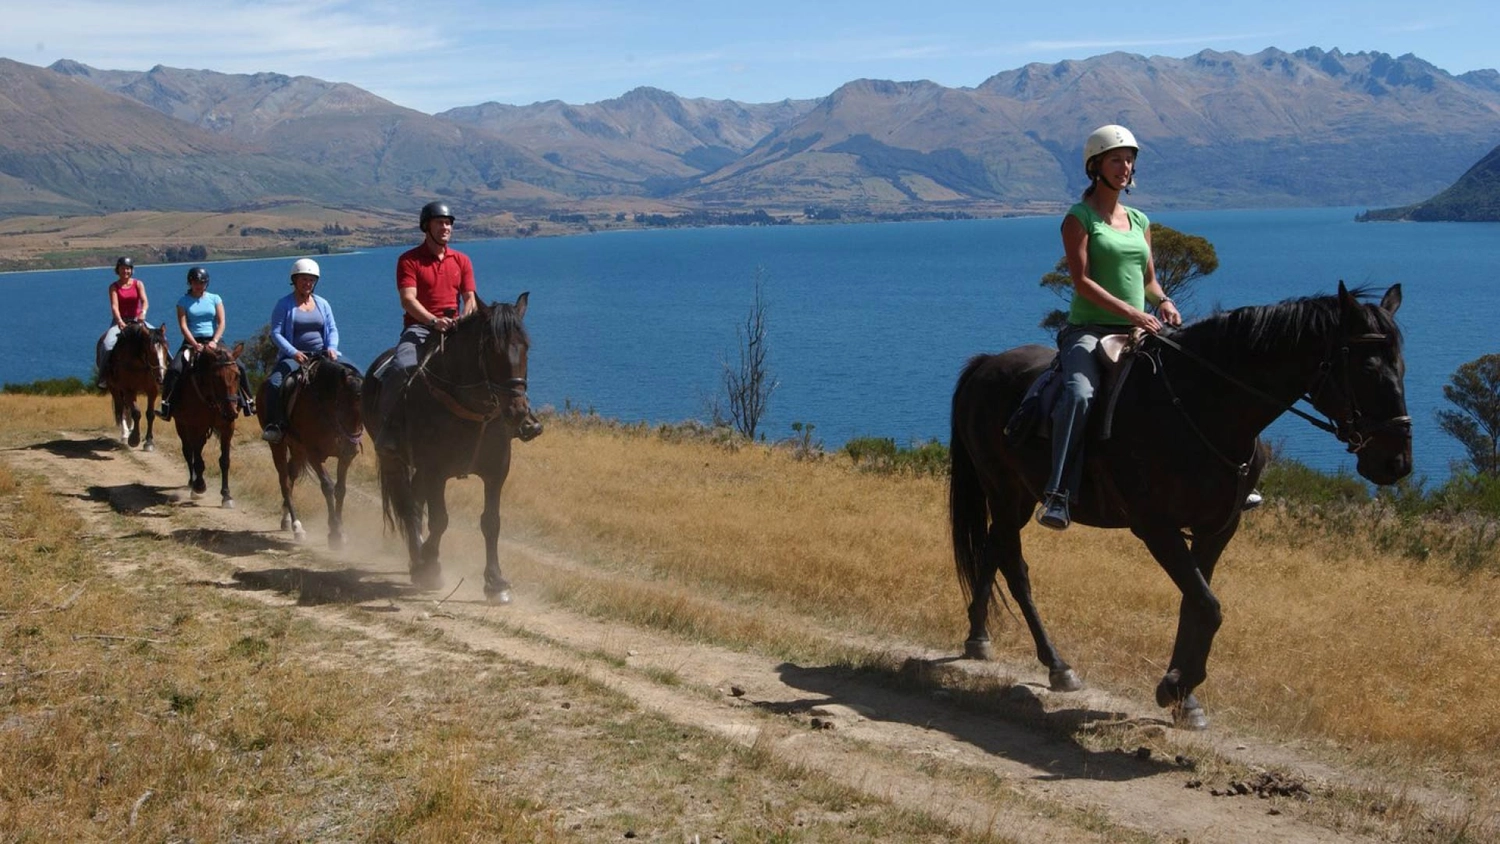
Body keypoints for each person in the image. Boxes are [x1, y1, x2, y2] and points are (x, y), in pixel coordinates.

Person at [1037, 124, 1182, 530]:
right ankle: (1058, 493)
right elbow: (1081, 281)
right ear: (1095, 166)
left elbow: (1149, 281)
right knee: (1080, 394)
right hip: (1089, 331)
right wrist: (1133, 313)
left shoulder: (1139, 220)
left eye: (1130, 159)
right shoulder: (1078, 218)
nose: (1126, 166)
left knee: (1189, 382)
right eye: (1116, 158)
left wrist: (1164, 301)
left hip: (1139, 331)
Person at [374, 201, 477, 454]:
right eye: (440, 222)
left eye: (449, 223)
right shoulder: (409, 260)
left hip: (455, 329)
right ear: (426, 227)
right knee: (401, 368)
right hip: (420, 329)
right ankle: (389, 429)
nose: (446, 227)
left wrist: (463, 319)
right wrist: (432, 320)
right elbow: (408, 300)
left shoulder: (462, 260)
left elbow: (470, 298)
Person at [260, 258, 343, 444]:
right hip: (295, 357)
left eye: (311, 280)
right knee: (275, 383)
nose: (308, 283)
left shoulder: (323, 304)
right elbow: (276, 333)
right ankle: (275, 425)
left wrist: (332, 348)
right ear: (295, 280)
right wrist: (293, 352)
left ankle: (350, 424)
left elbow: (332, 329)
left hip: (322, 355)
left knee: (353, 376)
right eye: (304, 279)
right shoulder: (284, 304)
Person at [158, 266, 254, 421]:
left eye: (202, 282)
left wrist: (215, 341)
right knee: (174, 369)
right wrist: (195, 344)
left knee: (239, 366)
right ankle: (167, 405)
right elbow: (183, 326)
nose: (199, 285)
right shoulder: (183, 302)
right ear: (190, 283)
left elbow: (221, 322)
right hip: (192, 342)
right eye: (195, 282)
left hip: (214, 341)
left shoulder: (215, 298)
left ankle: (248, 401)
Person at [96, 257, 150, 388]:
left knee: (159, 338)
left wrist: (143, 312)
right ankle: (103, 376)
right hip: (120, 321)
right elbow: (114, 306)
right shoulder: (113, 287)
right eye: (123, 268)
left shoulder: (138, 284)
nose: (125, 271)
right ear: (118, 270)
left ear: (131, 270)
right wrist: (120, 321)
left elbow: (145, 301)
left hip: (137, 320)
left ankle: (167, 370)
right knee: (107, 344)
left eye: (128, 268)